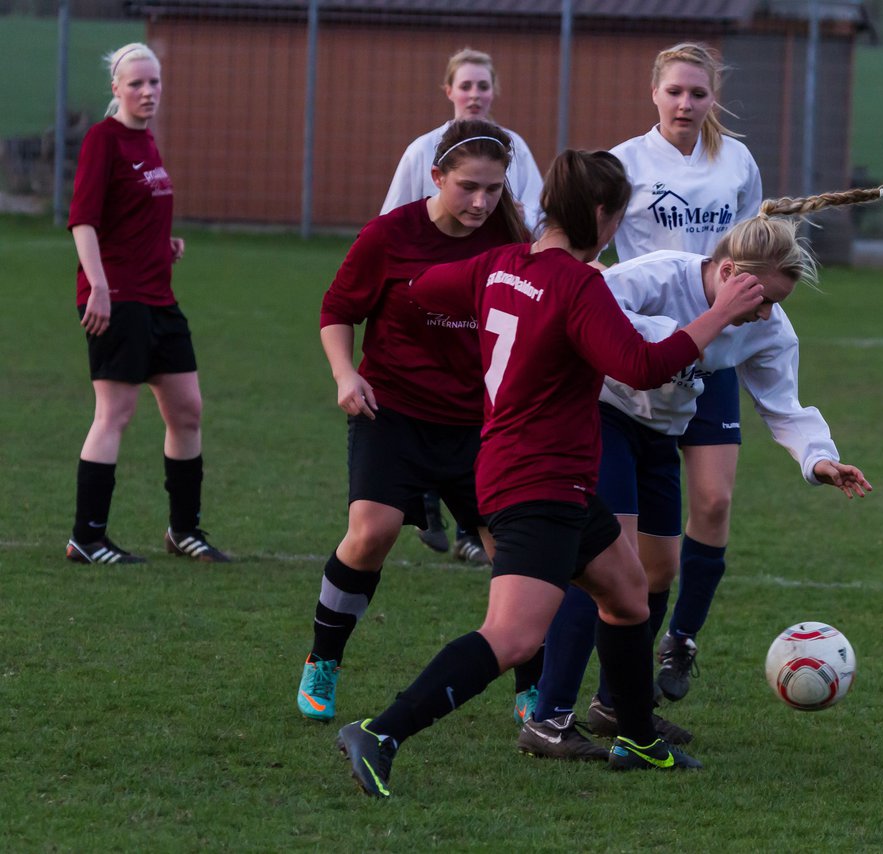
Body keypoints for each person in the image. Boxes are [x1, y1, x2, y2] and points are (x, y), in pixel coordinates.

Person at [333, 149, 766, 798]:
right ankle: (382, 732)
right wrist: (718, 312)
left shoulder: (500, 264)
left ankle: (640, 740)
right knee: (510, 635)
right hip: (538, 481)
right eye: (619, 216)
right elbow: (642, 367)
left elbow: (420, 290)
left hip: (531, 469)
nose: (617, 229)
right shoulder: (577, 284)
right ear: (599, 214)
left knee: (624, 596)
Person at [520, 182, 883, 755]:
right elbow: (583, 312)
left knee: (656, 573)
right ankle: (548, 718)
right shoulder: (658, 275)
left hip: (661, 436)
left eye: (776, 305)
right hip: (603, 420)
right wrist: (691, 329)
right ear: (730, 269)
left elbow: (784, 405)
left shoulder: (767, 325)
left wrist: (820, 458)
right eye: (761, 298)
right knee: (608, 569)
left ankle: (616, 704)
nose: (765, 313)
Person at [531, 41, 759, 720]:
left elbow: (750, 246)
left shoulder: (737, 161)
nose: (686, 103)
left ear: (713, 96)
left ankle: (675, 644)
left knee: (711, 508)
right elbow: (583, 243)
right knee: (616, 554)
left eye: (698, 92)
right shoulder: (625, 165)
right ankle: (564, 706)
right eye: (676, 92)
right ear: (654, 94)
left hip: (707, 356)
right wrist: (591, 282)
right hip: (638, 357)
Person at [294, 119, 530, 724]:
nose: (481, 202)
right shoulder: (389, 236)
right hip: (392, 410)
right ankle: (323, 660)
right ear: (436, 177)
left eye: (494, 189)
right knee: (371, 533)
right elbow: (336, 309)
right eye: (468, 187)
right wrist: (346, 375)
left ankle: (536, 690)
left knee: (516, 551)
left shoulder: (511, 240)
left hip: (481, 425)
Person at [65, 42, 230, 565]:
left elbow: (132, 213)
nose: (147, 91)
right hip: (117, 300)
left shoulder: (147, 143)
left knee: (187, 410)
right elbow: (84, 220)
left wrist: (165, 243)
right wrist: (98, 286)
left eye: (154, 82)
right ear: (116, 88)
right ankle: (86, 538)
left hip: (158, 297)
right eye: (136, 83)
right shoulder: (104, 139)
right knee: (115, 413)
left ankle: (184, 531)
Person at [382, 47, 542, 568]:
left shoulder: (513, 147)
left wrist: (519, 220)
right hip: (429, 300)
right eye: (465, 85)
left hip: (489, 298)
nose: (474, 94)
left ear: (494, 91)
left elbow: (536, 221)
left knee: (482, 403)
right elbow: (390, 224)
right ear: (448, 91)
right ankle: (426, 499)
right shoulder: (422, 151)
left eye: (483, 85)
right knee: (430, 397)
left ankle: (469, 523)